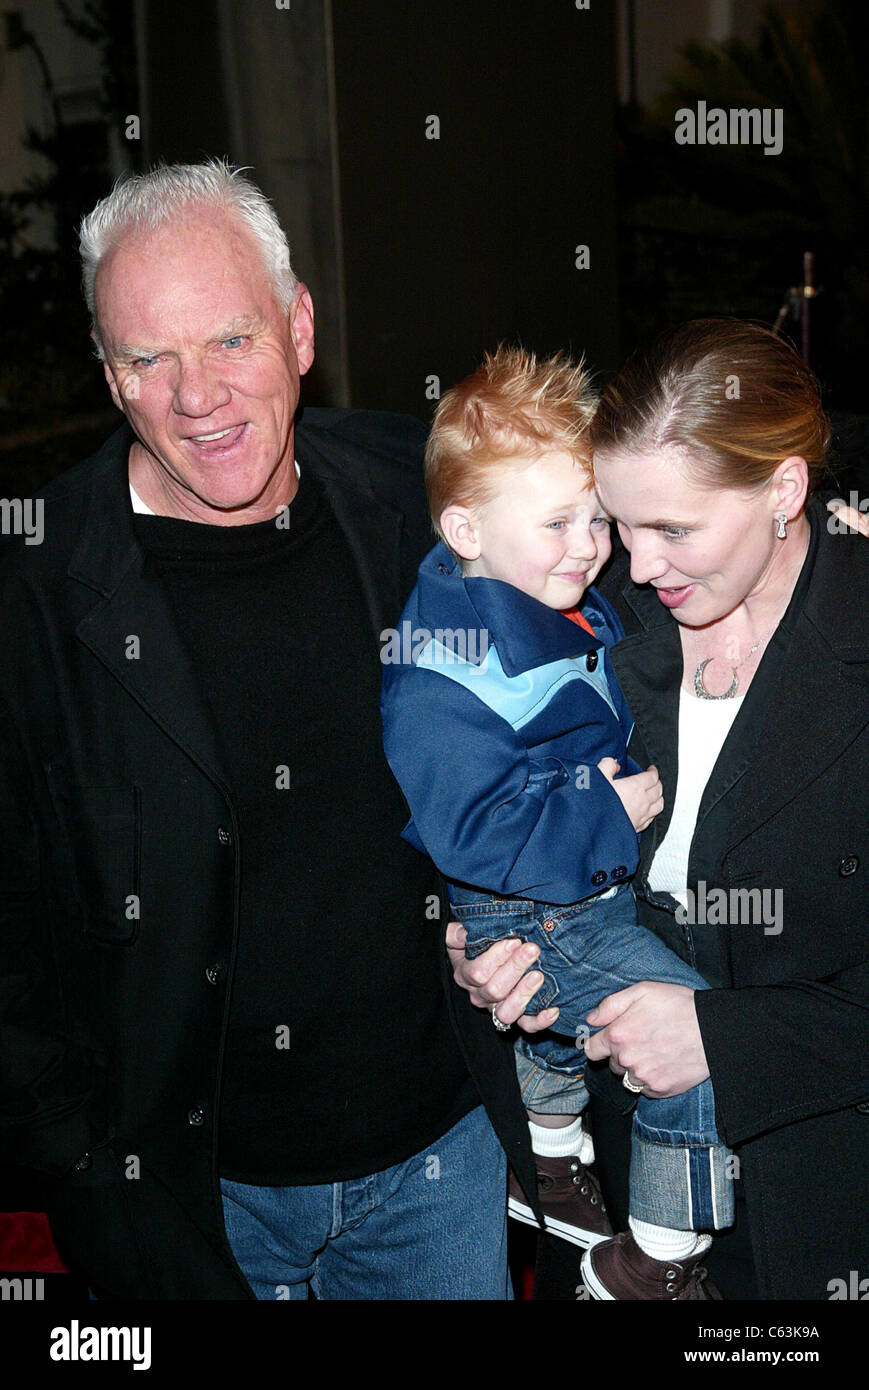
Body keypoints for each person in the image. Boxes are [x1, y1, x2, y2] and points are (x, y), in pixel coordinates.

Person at [0, 158, 541, 1300]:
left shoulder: (417, 494)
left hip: (438, 1161)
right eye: (151, 358)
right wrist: (81, 1160)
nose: (199, 396)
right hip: (190, 1206)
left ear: (299, 330)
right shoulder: (35, 591)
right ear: (111, 376)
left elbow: (631, 556)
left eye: (232, 340)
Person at [447, 319, 869, 1301]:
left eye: (672, 528)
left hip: (812, 1226)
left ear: (784, 490)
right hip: (604, 1214)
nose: (632, 565)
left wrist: (724, 1037)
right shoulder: (589, 622)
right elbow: (496, 816)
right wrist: (493, 955)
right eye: (618, 522)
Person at [381, 346, 732, 1300]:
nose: (590, 547)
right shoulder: (442, 667)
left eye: (595, 520)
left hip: (560, 901)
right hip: (535, 913)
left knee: (558, 1039)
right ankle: (655, 1257)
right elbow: (473, 831)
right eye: (557, 522)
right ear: (464, 528)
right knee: (692, 1047)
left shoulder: (532, 598)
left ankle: (548, 1157)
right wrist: (603, 812)